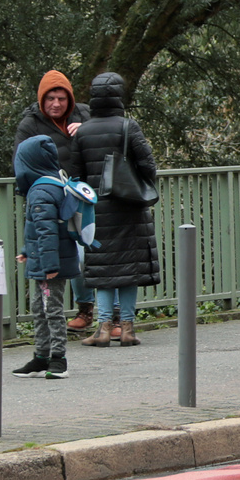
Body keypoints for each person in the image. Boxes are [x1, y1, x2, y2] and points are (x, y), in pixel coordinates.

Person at [74, 72, 160, 347]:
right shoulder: (128, 126)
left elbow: (76, 175)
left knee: (103, 270)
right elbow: (148, 166)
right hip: (129, 207)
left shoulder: (83, 131)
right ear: (118, 97)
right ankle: (127, 328)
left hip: (96, 210)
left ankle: (102, 329)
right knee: (128, 270)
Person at [14, 70, 95, 331]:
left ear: (69, 99)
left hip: (88, 196)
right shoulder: (30, 124)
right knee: (76, 256)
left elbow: (109, 138)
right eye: (50, 98)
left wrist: (87, 131)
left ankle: (113, 315)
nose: (56, 104)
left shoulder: (85, 115)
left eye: (61, 98)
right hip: (54, 201)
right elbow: (21, 162)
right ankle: (85, 310)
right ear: (42, 100)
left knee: (97, 253)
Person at [12, 137, 79, 379]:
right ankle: (41, 357)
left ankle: (58, 359)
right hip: (47, 259)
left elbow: (47, 232)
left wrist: (50, 265)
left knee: (51, 310)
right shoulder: (55, 181)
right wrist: (27, 251)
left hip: (51, 264)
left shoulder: (40, 191)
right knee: (40, 308)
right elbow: (38, 229)